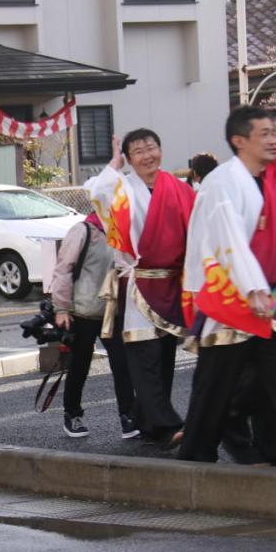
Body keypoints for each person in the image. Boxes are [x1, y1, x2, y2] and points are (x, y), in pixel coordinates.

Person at [178, 106, 276, 468]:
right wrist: (252, 288)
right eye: (266, 134)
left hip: (266, 298)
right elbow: (227, 237)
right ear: (239, 141)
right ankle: (194, 460)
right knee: (213, 391)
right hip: (230, 298)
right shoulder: (222, 182)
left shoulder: (269, 177)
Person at [86, 129, 195, 448]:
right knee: (145, 356)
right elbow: (97, 193)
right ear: (129, 158)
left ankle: (145, 421)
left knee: (163, 357)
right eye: (138, 151)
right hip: (138, 284)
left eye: (152, 148)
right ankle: (165, 425)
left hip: (172, 283)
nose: (148, 155)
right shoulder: (120, 187)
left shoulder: (178, 188)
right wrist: (114, 164)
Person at [50, 213, 138, 439]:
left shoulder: (122, 231)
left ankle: (128, 416)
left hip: (112, 312)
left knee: (123, 364)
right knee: (80, 365)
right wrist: (61, 308)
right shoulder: (84, 230)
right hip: (83, 311)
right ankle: (72, 415)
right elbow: (63, 269)